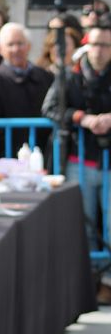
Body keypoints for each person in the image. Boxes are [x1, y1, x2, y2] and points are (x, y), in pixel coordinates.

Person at [42, 24, 111, 303]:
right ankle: (89, 282)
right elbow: (50, 108)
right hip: (77, 161)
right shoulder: (68, 75)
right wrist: (83, 118)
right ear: (86, 45)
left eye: (106, 45)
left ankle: (107, 282)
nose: (100, 51)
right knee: (83, 224)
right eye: (95, 44)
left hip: (107, 162)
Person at [0, 23, 54, 156]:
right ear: (1, 49)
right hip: (8, 156)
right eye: (10, 44)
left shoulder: (45, 77)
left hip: (43, 153)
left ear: (29, 46)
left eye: (20, 43)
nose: (16, 49)